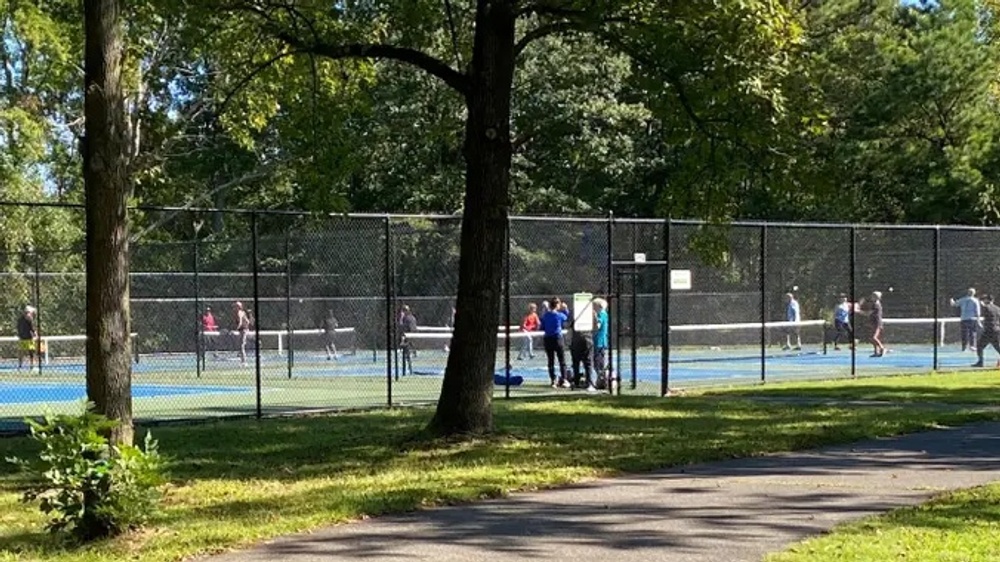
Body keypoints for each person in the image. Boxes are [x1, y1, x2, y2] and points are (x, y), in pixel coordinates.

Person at [540, 297, 570, 388]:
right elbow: (566, 317)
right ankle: (564, 379)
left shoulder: (546, 315)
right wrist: (566, 309)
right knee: (562, 360)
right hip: (557, 339)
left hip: (548, 339)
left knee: (551, 360)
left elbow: (542, 326)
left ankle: (553, 380)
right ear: (557, 305)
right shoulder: (559, 315)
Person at [569, 319, 597, 392]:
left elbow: (570, 328)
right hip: (587, 340)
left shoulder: (577, 316)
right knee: (588, 363)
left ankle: (576, 382)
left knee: (576, 363)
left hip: (577, 341)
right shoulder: (589, 316)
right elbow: (596, 327)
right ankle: (589, 383)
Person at [950, 288, 981, 352]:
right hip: (972, 319)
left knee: (964, 333)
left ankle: (964, 347)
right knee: (972, 333)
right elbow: (978, 312)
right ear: (974, 293)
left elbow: (954, 304)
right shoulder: (975, 300)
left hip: (964, 319)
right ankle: (972, 346)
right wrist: (978, 321)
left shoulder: (963, 299)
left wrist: (951, 300)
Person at [973, 294, 1000, 368]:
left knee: (979, 346)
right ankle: (980, 362)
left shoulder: (987, 307)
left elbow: (983, 307)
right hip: (997, 330)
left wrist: (979, 301)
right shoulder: (998, 308)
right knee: (997, 347)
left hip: (989, 330)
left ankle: (980, 362)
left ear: (987, 300)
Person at [858, 291, 886, 358]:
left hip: (877, 323)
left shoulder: (876, 305)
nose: (871, 297)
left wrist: (858, 311)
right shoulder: (874, 304)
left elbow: (868, 313)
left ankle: (882, 348)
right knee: (872, 338)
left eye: (873, 296)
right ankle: (876, 352)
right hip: (873, 322)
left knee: (874, 337)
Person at [592, 298, 609, 383]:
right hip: (599, 341)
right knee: (598, 361)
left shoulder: (601, 314)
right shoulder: (604, 314)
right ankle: (601, 377)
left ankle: (601, 378)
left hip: (599, 341)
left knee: (598, 362)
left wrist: (594, 316)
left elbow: (598, 325)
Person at [17, 305, 38, 373]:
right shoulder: (25, 319)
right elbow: (32, 329)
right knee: (23, 353)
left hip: (26, 338)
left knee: (31, 353)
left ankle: (31, 367)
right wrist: (35, 334)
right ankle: (21, 366)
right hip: (26, 338)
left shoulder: (24, 319)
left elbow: (32, 328)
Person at [398, 305, 418, 375]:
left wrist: (401, 318)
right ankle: (413, 352)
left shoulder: (406, 318)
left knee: (406, 352)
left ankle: (409, 368)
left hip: (408, 336)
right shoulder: (413, 317)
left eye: (403, 311)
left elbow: (402, 327)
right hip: (413, 337)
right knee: (407, 350)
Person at [234, 301, 251, 366]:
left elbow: (240, 322)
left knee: (241, 346)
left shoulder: (239, 313)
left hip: (243, 330)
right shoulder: (243, 312)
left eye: (236, 306)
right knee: (241, 345)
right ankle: (242, 361)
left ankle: (244, 362)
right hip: (244, 330)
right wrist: (247, 328)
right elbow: (248, 321)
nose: (235, 307)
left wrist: (237, 328)